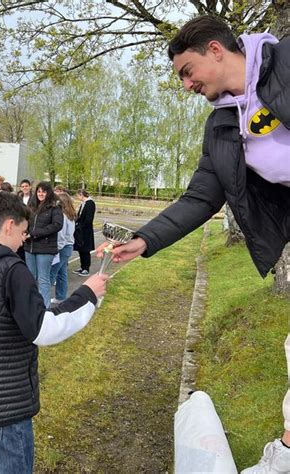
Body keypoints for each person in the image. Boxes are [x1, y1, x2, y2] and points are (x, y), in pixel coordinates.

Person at [98, 16, 290, 474]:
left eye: (187, 70)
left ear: (215, 50)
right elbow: (202, 197)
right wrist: (145, 240)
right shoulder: (223, 124)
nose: (186, 84)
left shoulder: (285, 62)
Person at [0, 191, 108, 473]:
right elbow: (43, 329)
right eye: (22, 231)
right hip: (3, 411)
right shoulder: (12, 270)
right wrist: (87, 295)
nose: (24, 238)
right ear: (9, 225)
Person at [24, 181, 63, 307]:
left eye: (44, 191)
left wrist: (35, 233)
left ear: (48, 193)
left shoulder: (55, 207)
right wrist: (24, 232)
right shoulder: (32, 205)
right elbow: (25, 221)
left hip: (45, 248)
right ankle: (32, 305)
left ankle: (45, 309)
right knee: (31, 278)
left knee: (43, 279)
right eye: (39, 191)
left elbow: (57, 225)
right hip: (29, 247)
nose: (41, 194)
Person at [50, 193, 76, 304]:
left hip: (62, 248)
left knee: (51, 273)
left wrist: (56, 249)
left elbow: (61, 235)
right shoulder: (70, 215)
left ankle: (42, 299)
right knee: (62, 273)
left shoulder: (62, 216)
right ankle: (61, 297)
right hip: (68, 247)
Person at [73, 189, 96, 277]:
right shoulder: (84, 203)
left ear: (81, 194)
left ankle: (86, 268)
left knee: (85, 250)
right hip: (80, 230)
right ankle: (82, 267)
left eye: (78, 196)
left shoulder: (90, 203)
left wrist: (80, 226)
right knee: (81, 249)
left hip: (86, 231)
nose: (77, 197)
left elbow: (88, 219)